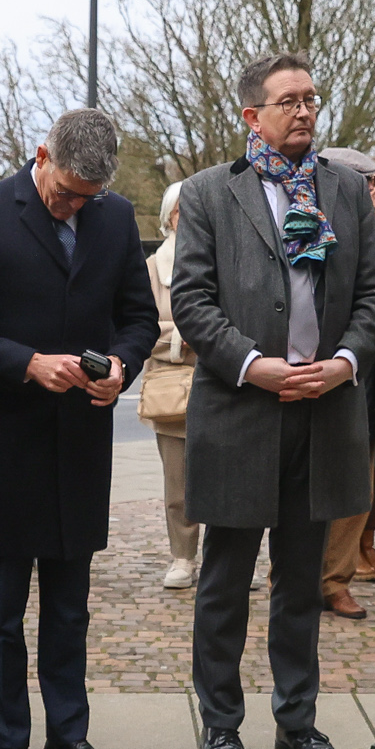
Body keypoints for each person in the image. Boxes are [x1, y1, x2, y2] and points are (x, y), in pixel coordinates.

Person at [170, 53, 375, 749]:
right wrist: (254, 365)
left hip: (324, 411)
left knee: (302, 582)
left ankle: (298, 722)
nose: (305, 111)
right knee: (226, 582)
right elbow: (193, 302)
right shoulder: (209, 195)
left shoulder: (344, 191)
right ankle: (222, 726)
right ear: (251, 115)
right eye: (289, 101)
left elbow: (373, 291)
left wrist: (345, 363)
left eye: (312, 99)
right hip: (241, 410)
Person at [0, 109, 157, 749]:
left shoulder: (116, 217)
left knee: (70, 607)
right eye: (64, 192)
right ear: (41, 156)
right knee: (2, 609)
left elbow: (139, 318)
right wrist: (27, 363)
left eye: (85, 199)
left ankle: (69, 737)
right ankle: (9, 744)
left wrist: (121, 364)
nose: (73, 206)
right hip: (3, 441)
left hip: (79, 443)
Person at [321, 151, 375, 617]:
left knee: (359, 479)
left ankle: (337, 579)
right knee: (305, 484)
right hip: (311, 371)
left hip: (369, 373)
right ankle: (292, 578)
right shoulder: (303, 221)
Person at [142, 183, 199, 590]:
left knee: (226, 480)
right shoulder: (151, 268)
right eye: (181, 210)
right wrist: (188, 337)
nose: (189, 217)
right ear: (168, 217)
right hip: (172, 386)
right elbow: (141, 328)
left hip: (221, 383)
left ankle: (225, 557)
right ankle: (183, 556)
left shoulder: (226, 259)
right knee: (178, 482)